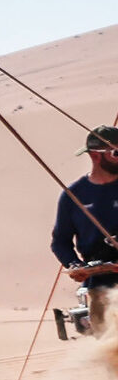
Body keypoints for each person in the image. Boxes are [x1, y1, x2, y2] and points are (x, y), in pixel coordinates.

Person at [53, 125, 118, 333]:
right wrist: (74, 265)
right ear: (95, 156)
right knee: (108, 350)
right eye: (117, 152)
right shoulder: (73, 195)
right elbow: (60, 242)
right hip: (99, 285)